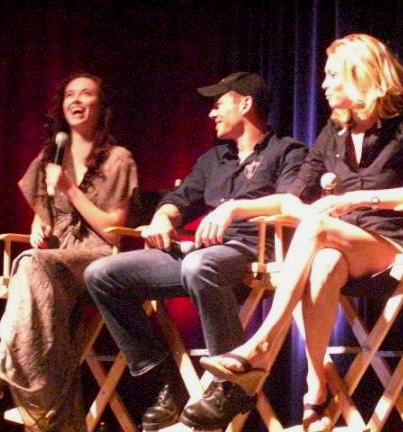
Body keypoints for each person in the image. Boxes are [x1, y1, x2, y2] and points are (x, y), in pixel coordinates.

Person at [194, 33, 403, 431]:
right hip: (339, 242)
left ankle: (261, 344)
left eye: (332, 76)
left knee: (318, 228)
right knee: (324, 262)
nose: (323, 85)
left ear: (360, 75)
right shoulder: (334, 131)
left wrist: (360, 199)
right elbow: (290, 197)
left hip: (391, 242)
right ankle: (317, 388)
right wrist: (241, 206)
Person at [84, 72, 307, 431]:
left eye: (219, 104)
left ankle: (230, 383)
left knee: (200, 265)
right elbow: (180, 199)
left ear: (246, 104)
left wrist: (234, 209)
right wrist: (162, 218)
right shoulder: (213, 159)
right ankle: (165, 381)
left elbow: (292, 203)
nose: (211, 113)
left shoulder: (288, 152)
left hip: (256, 248)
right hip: (204, 253)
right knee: (103, 274)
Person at [0, 72, 138, 432]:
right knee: (37, 297)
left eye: (86, 94)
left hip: (97, 259)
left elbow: (112, 228)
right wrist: (38, 223)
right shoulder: (50, 157)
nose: (76, 100)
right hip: (54, 260)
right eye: (70, 94)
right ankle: (53, 419)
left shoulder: (119, 158)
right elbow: (44, 212)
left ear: (100, 107)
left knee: (30, 264)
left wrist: (71, 190)